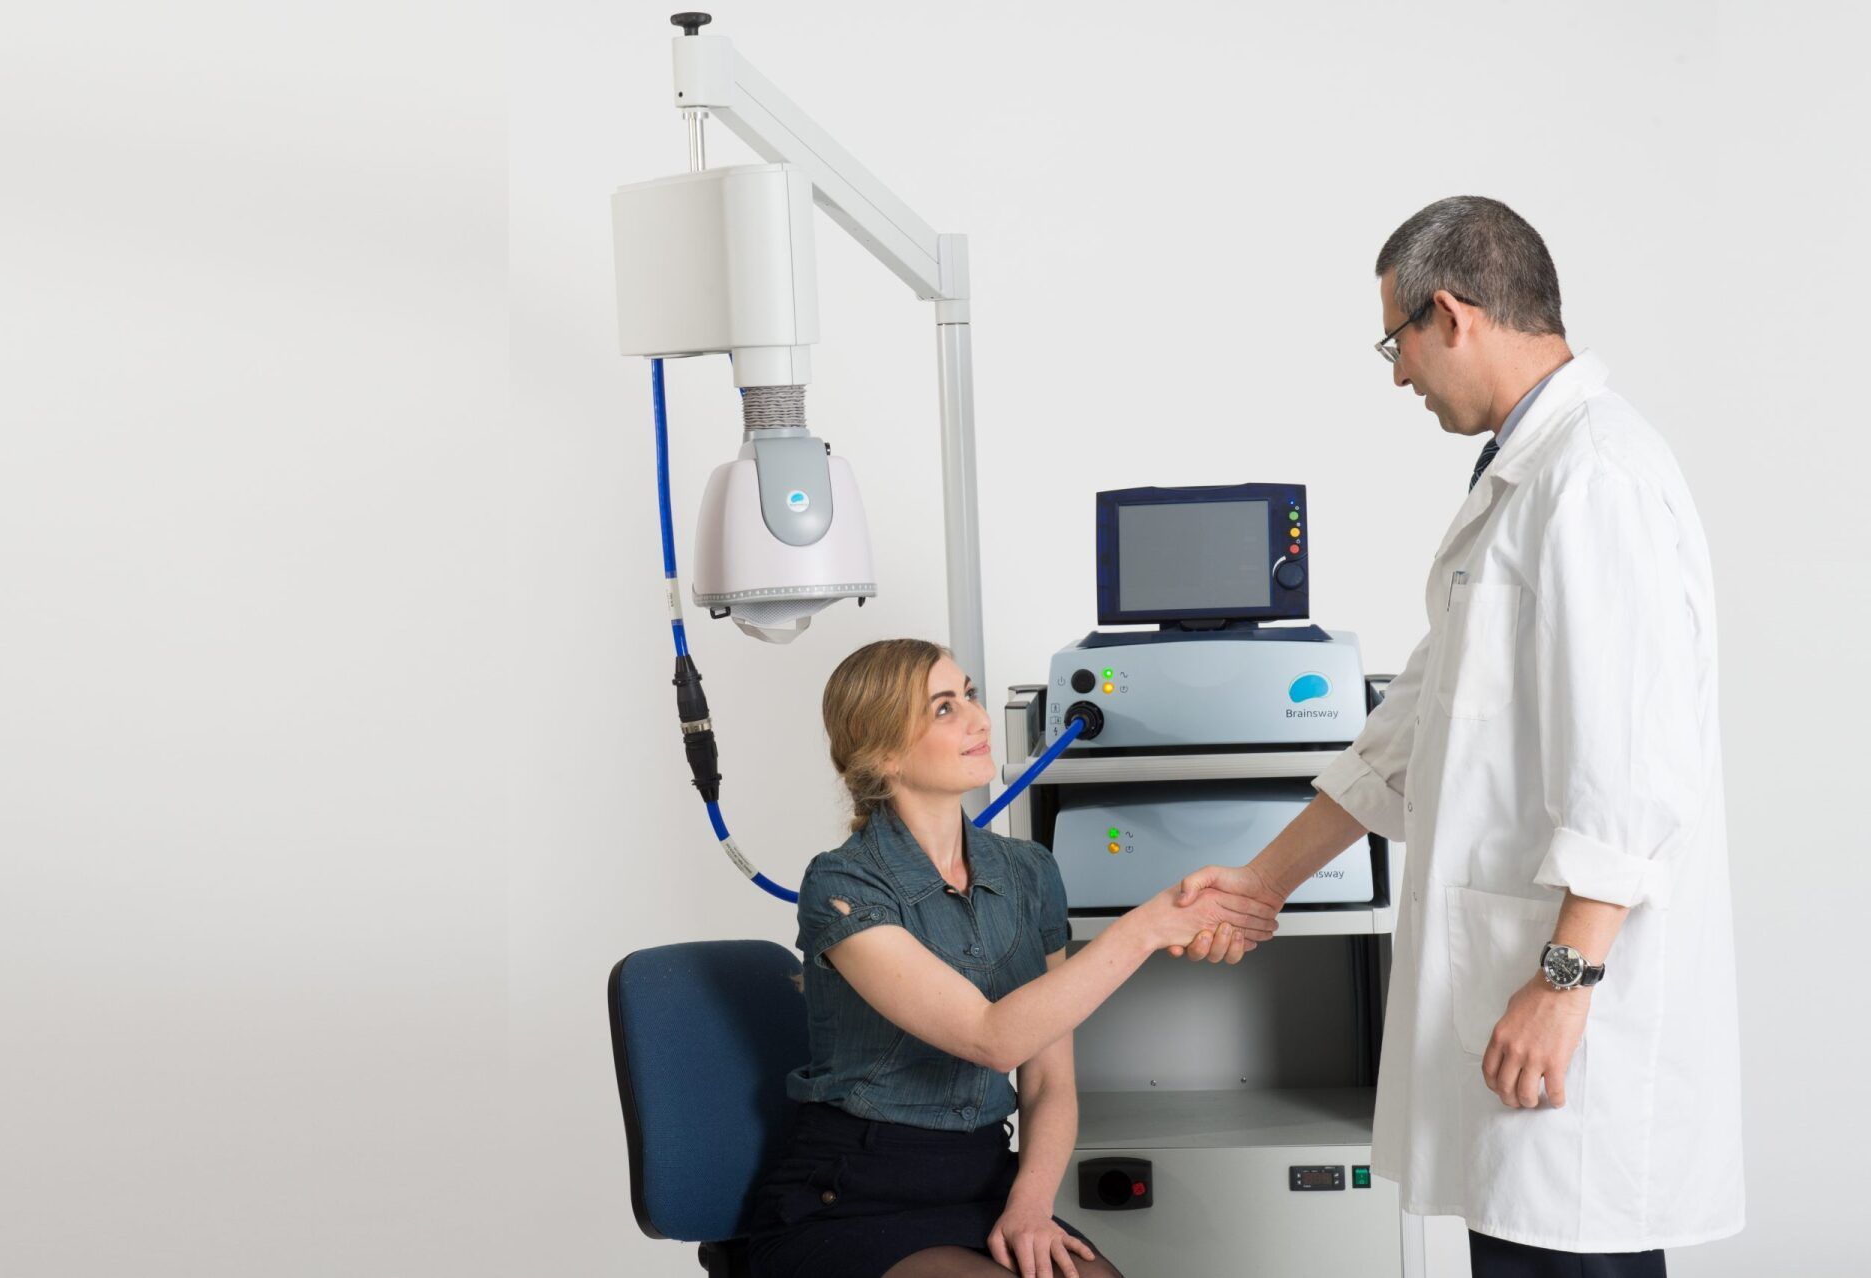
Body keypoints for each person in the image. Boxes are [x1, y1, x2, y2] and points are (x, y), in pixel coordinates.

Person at [1178, 197, 1743, 1276]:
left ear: (1450, 314)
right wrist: (1263, 880)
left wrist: (1565, 980)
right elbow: (1419, 723)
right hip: (1523, 999)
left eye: (1396, 343)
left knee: (1571, 1254)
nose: (1397, 376)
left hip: (1567, 1001)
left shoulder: (1595, 478)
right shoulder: (1525, 477)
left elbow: (1630, 757)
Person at [746, 638, 1282, 1278]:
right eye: (944, 709)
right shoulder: (842, 887)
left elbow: (1049, 1079)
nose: (976, 718)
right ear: (883, 752)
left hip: (985, 1183)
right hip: (852, 1194)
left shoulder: (1029, 872)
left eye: (968, 694)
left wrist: (1030, 1207)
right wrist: (1144, 928)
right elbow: (992, 1038)